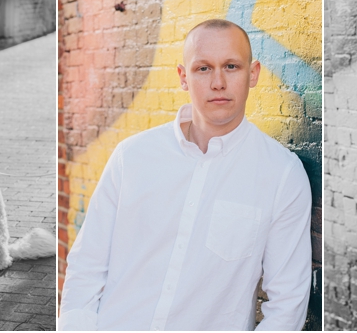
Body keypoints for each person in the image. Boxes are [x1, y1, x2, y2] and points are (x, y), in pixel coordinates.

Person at [59, 19, 312, 330]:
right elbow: (87, 266)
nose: (218, 82)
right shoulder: (133, 157)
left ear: (253, 74)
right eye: (203, 68)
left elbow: (287, 304)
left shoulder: (281, 175)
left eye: (231, 66)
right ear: (183, 77)